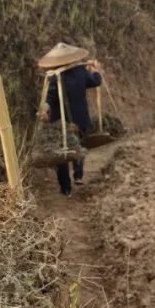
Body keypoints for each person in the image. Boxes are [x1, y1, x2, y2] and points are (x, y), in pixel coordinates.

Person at [38, 43, 102, 197]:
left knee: (62, 154)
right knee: (78, 146)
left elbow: (49, 98)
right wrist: (95, 70)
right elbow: (95, 81)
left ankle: (65, 188)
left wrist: (45, 110)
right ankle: (78, 175)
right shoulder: (80, 71)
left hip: (61, 122)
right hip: (80, 119)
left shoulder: (54, 77)